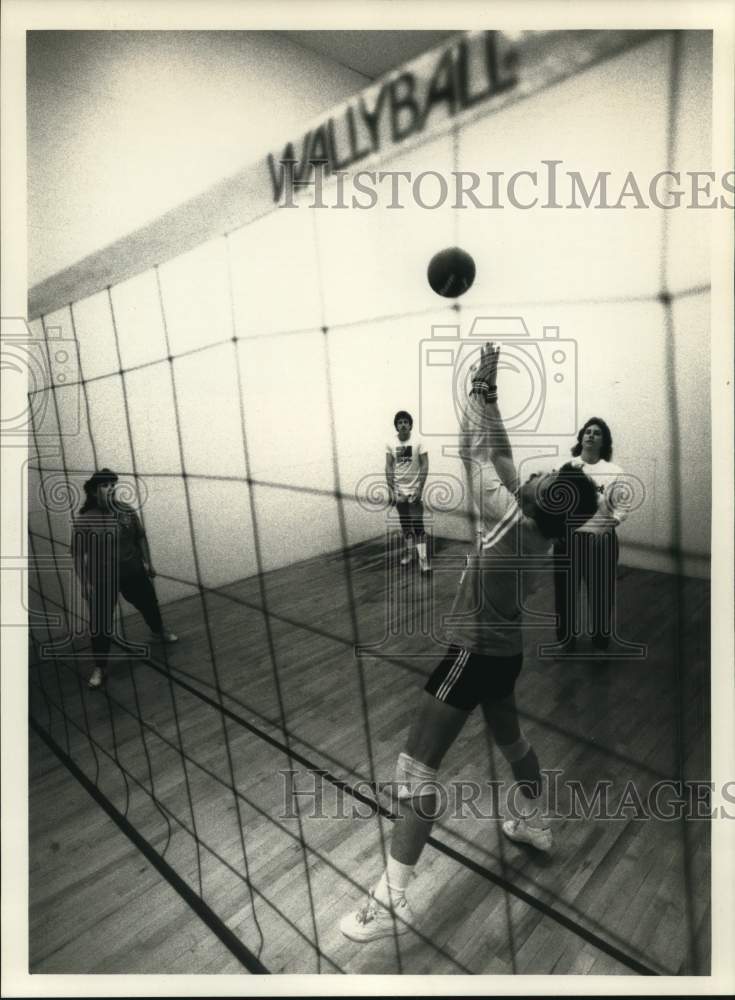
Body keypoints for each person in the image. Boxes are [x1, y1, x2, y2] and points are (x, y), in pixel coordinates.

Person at [340, 344, 598, 943]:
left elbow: (473, 451)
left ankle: (394, 897)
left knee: (414, 770)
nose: (534, 474)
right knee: (512, 741)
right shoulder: (539, 528)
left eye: (545, 478)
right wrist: (492, 395)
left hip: (471, 654)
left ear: (540, 500)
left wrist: (477, 393)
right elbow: (504, 456)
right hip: (505, 655)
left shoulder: (505, 515)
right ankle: (533, 820)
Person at [71, 468, 178, 689]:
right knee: (100, 624)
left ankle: (158, 631)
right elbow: (78, 555)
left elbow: (141, 537)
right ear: (93, 491)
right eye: (104, 485)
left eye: (112, 485)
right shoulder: (85, 520)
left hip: (133, 572)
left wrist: (148, 562)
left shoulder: (127, 511)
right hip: (102, 579)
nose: (110, 489)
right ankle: (100, 667)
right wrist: (85, 583)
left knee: (149, 604)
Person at [553, 417, 628, 651]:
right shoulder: (566, 467)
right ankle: (566, 643)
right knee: (565, 596)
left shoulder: (614, 472)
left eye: (597, 433)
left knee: (600, 597)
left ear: (604, 441)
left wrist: (603, 530)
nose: (591, 435)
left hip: (601, 543)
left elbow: (621, 509)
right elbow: (553, 505)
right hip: (567, 542)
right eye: (587, 431)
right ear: (581, 437)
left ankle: (600, 646)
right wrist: (556, 531)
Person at [385, 410, 430, 572]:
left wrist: (420, 488)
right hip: (399, 491)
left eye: (406, 422)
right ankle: (410, 552)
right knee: (405, 525)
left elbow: (425, 464)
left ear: (410, 424)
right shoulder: (391, 443)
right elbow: (389, 466)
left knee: (418, 525)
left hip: (414, 489)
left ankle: (423, 559)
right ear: (396, 426)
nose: (403, 425)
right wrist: (391, 490)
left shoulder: (419, 441)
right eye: (400, 422)